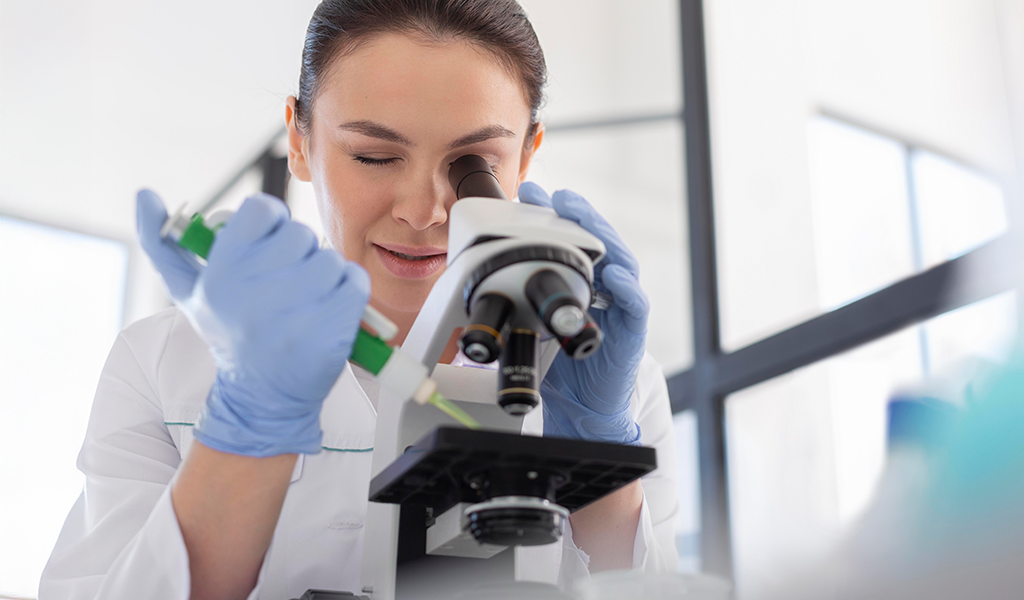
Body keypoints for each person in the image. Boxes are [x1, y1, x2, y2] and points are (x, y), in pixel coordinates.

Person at [39, 1, 679, 598]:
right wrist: (247, 426)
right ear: (299, 140)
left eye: (473, 165)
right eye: (374, 156)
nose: (424, 212)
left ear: (526, 155)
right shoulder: (164, 364)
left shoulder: (605, 385)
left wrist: (605, 467)